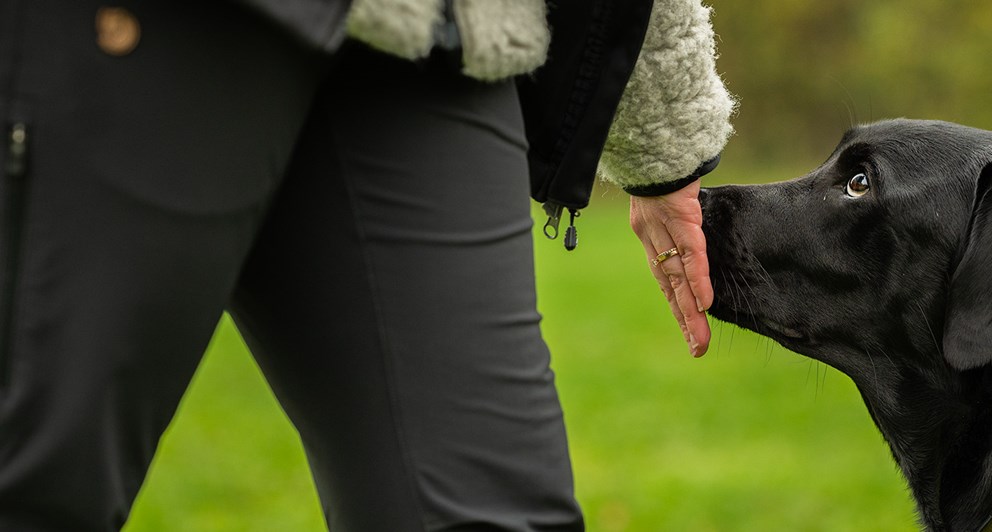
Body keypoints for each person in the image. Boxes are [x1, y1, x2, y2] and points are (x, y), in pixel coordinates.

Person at [0, 0, 729, 530]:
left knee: (495, 513)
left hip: (431, 38)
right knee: (41, 488)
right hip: (182, 26)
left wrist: (663, 142)